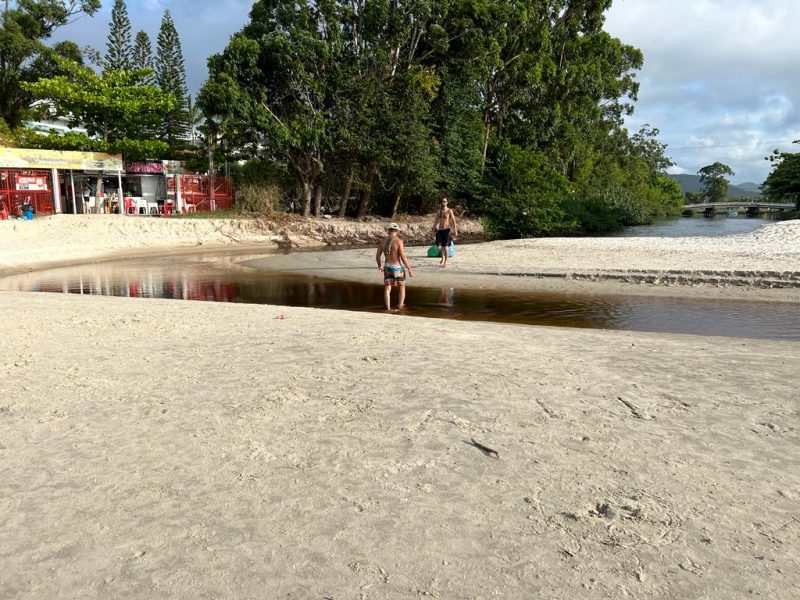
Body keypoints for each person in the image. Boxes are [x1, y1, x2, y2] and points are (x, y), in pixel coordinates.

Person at [376, 222, 414, 311]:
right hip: (397, 268)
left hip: (387, 267)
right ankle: (400, 306)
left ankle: (388, 308)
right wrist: (409, 269)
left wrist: (379, 266)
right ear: (397, 231)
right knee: (401, 286)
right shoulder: (398, 241)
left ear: (388, 231)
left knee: (387, 287)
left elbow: (378, 256)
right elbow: (403, 257)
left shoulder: (382, 242)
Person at [432, 196, 458, 267]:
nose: (443, 202)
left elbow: (453, 221)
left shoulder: (449, 211)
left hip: (447, 230)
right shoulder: (439, 211)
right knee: (439, 247)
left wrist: (455, 230)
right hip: (440, 230)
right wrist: (433, 230)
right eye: (442, 201)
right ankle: (442, 256)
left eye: (445, 201)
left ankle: (446, 261)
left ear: (447, 202)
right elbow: (436, 221)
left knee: (446, 247)